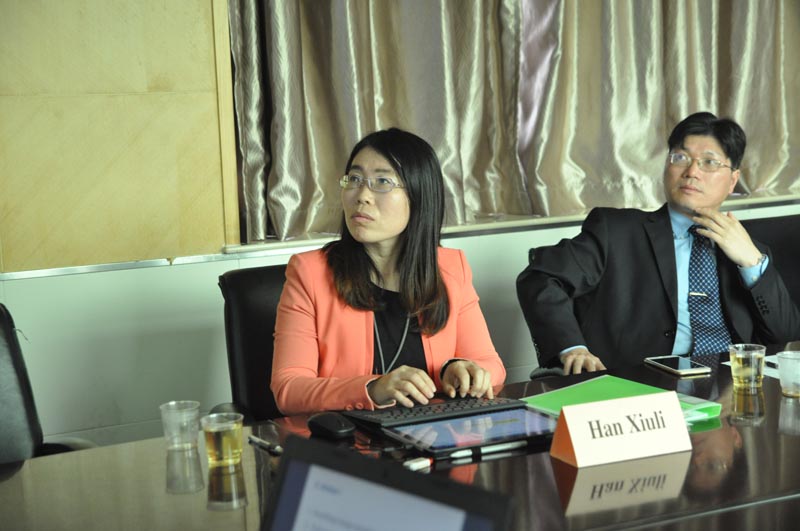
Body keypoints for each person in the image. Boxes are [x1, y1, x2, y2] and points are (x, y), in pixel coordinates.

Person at [517, 112, 800, 375]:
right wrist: (572, 348)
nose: (692, 171)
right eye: (680, 157)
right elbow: (541, 278)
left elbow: (786, 336)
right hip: (643, 385)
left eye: (709, 162)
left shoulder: (749, 250)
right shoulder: (615, 231)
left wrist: (752, 263)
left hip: (732, 384)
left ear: (732, 181)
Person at [271, 128, 506, 415]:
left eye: (382, 182)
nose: (362, 196)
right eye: (354, 179)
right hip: (353, 439)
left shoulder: (451, 268)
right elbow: (289, 390)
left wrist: (458, 369)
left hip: (434, 434)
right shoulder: (309, 273)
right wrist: (372, 389)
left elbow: (492, 367)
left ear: (418, 196)